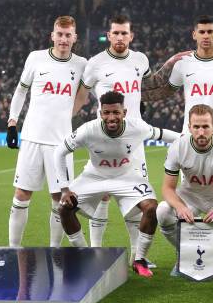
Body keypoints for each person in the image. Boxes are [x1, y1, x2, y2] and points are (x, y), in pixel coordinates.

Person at [54, 91, 179, 278]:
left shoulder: (137, 127)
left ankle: (139, 260)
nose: (111, 117)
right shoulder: (88, 130)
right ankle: (85, 254)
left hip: (126, 176)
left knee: (152, 207)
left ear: (124, 112)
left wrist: (188, 137)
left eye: (116, 112)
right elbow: (59, 152)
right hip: (94, 176)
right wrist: (64, 189)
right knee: (64, 208)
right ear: (100, 113)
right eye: (106, 113)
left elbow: (163, 134)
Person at [73, 15, 157, 264]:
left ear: (131, 36)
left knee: (136, 198)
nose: (120, 37)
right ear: (109, 35)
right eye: (116, 33)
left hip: (135, 138)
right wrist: (66, 119)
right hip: (106, 137)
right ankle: (94, 251)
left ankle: (137, 256)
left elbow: (146, 88)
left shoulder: (141, 60)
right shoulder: (95, 63)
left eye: (124, 33)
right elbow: (81, 96)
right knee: (103, 194)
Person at [7, 15, 87, 247]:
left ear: (75, 37)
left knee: (60, 199)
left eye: (67, 35)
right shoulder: (36, 58)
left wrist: (67, 115)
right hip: (32, 137)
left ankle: (54, 250)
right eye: (59, 34)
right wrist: (13, 122)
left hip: (61, 144)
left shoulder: (81, 64)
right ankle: (13, 248)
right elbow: (21, 91)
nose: (63, 39)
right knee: (22, 195)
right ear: (52, 35)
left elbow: (86, 93)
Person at [157, 104, 213, 278]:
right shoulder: (177, 147)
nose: (201, 132)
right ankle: (185, 256)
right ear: (189, 127)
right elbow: (167, 188)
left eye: (206, 126)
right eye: (196, 127)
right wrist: (180, 207)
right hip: (189, 196)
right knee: (162, 211)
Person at [141, 15, 213, 138]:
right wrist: (133, 97)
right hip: (191, 136)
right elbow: (164, 92)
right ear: (194, 35)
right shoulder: (182, 63)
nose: (206, 35)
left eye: (210, 32)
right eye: (202, 32)